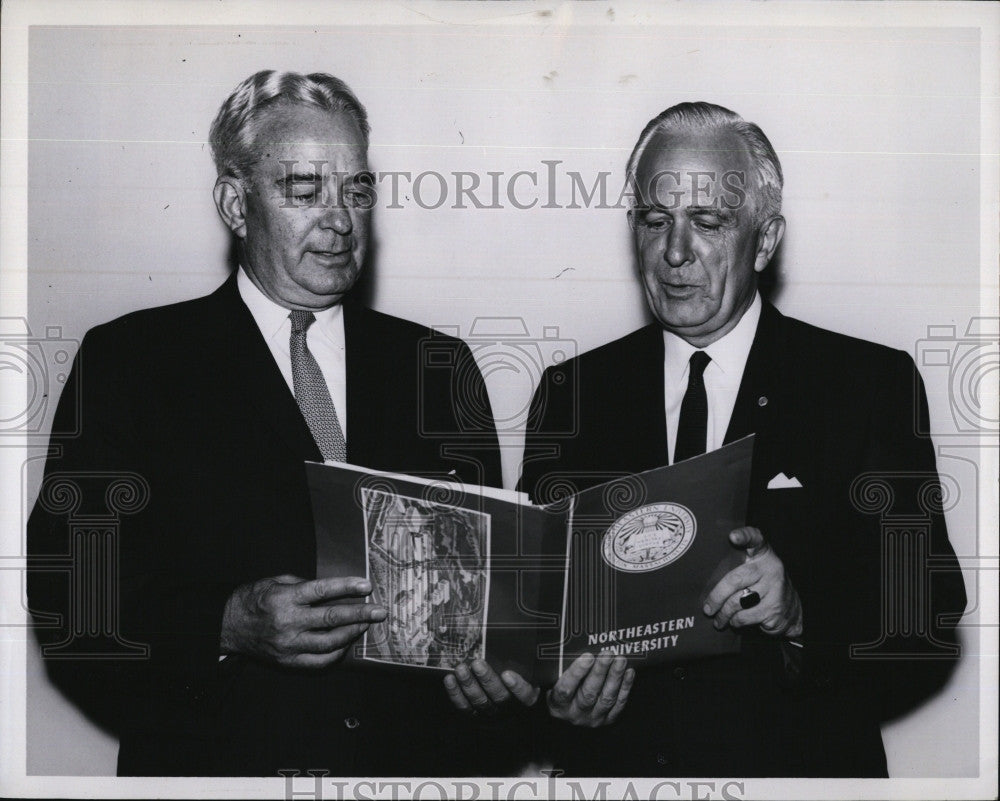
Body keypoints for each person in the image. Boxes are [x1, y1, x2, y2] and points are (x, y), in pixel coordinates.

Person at [26, 70, 519, 776]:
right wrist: (226, 623)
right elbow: (70, 597)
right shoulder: (132, 361)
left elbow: (483, 604)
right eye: (305, 189)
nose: (341, 219)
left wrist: (493, 677)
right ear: (234, 201)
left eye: (356, 189)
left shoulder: (439, 364)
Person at [458, 102, 968, 776]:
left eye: (706, 222)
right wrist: (554, 699)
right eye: (654, 220)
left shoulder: (865, 384)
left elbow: (927, 614)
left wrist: (802, 614)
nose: (674, 252)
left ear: (764, 240)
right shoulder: (573, 391)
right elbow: (540, 615)